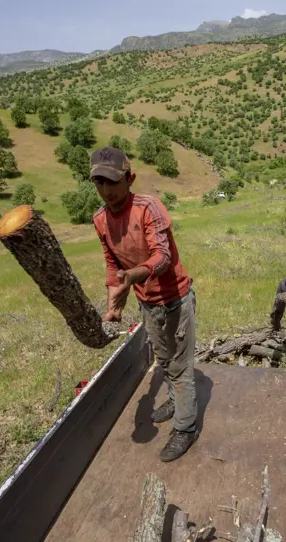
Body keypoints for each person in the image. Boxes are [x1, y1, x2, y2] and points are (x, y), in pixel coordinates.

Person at [90, 147, 199, 462]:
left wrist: (133, 276)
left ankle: (186, 427)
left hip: (175, 298)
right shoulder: (100, 219)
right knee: (163, 359)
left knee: (180, 368)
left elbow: (162, 257)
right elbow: (112, 264)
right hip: (146, 301)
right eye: (99, 183)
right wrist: (115, 303)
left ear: (129, 178)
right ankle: (177, 401)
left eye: (112, 182)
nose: (106, 191)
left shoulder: (149, 208)